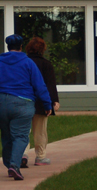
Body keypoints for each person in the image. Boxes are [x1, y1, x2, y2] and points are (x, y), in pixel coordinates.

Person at [0, 34, 53, 181]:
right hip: (23, 104)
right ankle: (14, 165)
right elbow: (39, 85)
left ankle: (9, 165)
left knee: (7, 136)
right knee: (20, 136)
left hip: (1, 104)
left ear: (7, 47)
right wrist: (47, 104)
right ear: (21, 47)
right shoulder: (28, 63)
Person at [24, 37, 60, 166]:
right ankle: (40, 156)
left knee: (23, 130)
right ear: (42, 49)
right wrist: (54, 101)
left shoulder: (23, 63)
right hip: (41, 102)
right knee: (40, 131)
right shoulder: (46, 64)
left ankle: (22, 154)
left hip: (24, 100)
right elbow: (50, 84)